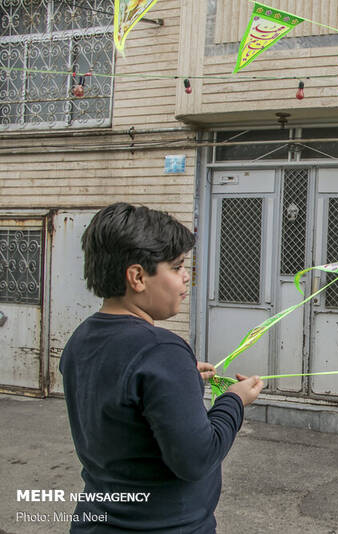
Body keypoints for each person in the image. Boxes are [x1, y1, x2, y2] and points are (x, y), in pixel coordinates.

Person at [59, 202, 263, 532]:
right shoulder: (161, 350)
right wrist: (234, 401)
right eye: (177, 266)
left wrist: (180, 379)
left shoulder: (81, 338)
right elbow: (197, 458)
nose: (186, 276)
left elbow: (124, 401)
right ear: (138, 277)